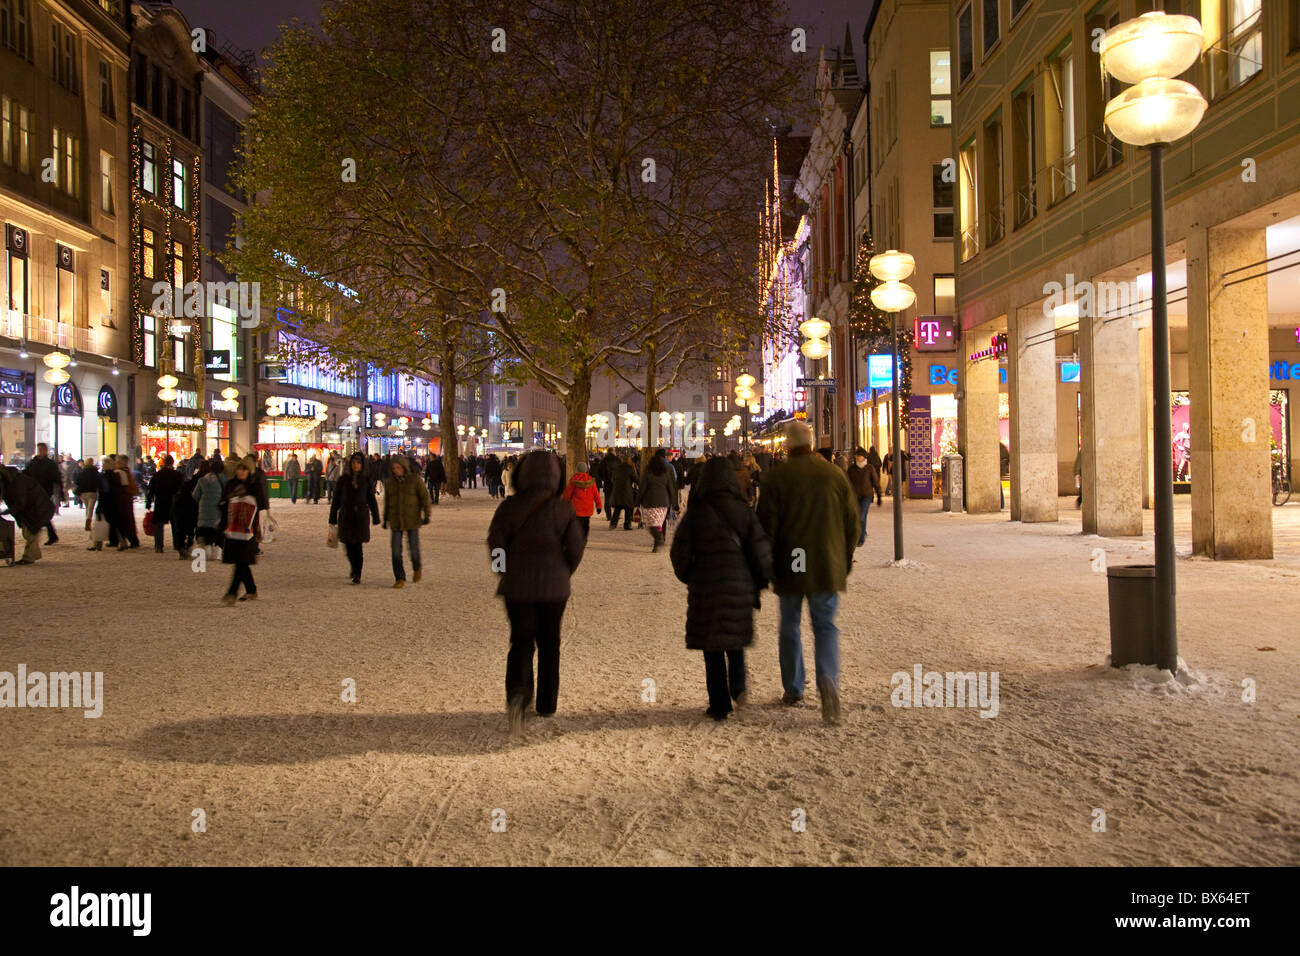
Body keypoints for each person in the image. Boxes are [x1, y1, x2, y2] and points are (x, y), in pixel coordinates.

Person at [756, 421, 858, 725]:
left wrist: (767, 562)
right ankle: (828, 679)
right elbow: (852, 522)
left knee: (790, 626)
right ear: (812, 444)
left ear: (787, 445)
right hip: (826, 561)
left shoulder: (778, 478)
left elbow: (766, 526)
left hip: (792, 562)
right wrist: (846, 555)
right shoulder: (833, 474)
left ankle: (794, 687)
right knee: (825, 625)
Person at [486, 451, 585, 736]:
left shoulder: (509, 508)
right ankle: (546, 703)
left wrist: (503, 571)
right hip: (554, 588)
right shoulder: (563, 509)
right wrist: (564, 571)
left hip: (517, 587)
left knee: (521, 641)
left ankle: (518, 693)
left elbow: (496, 546)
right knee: (550, 644)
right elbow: (576, 548)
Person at [670, 456, 773, 721]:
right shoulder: (744, 511)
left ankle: (719, 704)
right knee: (735, 640)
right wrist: (760, 580)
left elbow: (679, 552)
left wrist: (690, 576)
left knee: (712, 647)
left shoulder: (696, 513)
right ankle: (738, 687)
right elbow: (761, 551)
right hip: (738, 585)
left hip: (706, 587)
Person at [330, 452, 381, 584]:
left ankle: (357, 572)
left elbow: (371, 499)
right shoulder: (343, 479)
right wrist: (332, 518)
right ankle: (353, 566)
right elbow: (336, 499)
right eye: (353, 463)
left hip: (360, 516)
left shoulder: (365, 480)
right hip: (346, 516)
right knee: (347, 544)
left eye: (358, 463)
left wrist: (376, 516)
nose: (355, 465)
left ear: (362, 464)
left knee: (357, 545)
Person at [382, 454, 431, 588]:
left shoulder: (414, 480)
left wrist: (427, 515)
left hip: (412, 518)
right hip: (396, 519)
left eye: (398, 467)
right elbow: (388, 502)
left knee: (413, 549)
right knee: (395, 551)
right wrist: (385, 518)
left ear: (404, 467)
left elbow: (424, 497)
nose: (396, 470)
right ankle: (399, 577)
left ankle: (417, 567)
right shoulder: (390, 483)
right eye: (394, 468)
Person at [218, 459, 261, 605]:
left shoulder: (253, 486)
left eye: (244, 469)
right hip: (232, 528)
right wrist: (228, 499)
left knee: (240, 561)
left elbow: (259, 505)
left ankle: (232, 593)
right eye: (239, 469)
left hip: (247, 529)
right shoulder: (231, 484)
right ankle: (251, 589)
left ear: (249, 471)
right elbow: (222, 504)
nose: (241, 472)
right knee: (241, 561)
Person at [0, 464, 56, 564]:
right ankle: (33, 554)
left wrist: (6, 511)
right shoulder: (9, 480)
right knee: (29, 532)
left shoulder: (17, 482)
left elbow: (21, 502)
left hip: (37, 508)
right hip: (32, 508)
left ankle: (29, 557)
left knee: (30, 532)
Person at [638, 449, 678, 552]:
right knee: (659, 523)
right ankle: (658, 541)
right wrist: (673, 501)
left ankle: (658, 538)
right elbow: (670, 487)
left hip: (650, 501)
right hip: (664, 502)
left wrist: (638, 500)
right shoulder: (666, 472)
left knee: (650, 524)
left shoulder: (648, 472)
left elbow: (642, 487)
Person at [145, 454, 184, 554]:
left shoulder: (158, 474)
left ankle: (158, 546)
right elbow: (182, 489)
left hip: (160, 501)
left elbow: (151, 490)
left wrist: (148, 502)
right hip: (173, 501)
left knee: (159, 525)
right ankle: (177, 545)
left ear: (164, 463)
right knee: (175, 525)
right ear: (172, 463)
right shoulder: (177, 475)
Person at [23, 443, 61, 545]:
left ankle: (42, 533)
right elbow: (26, 473)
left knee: (40, 512)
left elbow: (57, 477)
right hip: (34, 490)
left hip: (44, 491)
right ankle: (50, 535)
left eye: (42, 449)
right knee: (39, 513)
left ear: (45, 450)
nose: (40, 451)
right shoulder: (33, 462)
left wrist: (60, 492)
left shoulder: (49, 464)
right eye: (39, 449)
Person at [847, 446, 880, 547]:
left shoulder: (869, 468)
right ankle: (862, 531)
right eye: (856, 455)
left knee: (861, 516)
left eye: (859, 455)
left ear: (864, 457)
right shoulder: (852, 468)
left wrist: (879, 495)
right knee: (858, 516)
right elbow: (847, 482)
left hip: (866, 495)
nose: (857, 457)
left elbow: (875, 482)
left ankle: (860, 539)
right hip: (855, 496)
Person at [193, 460, 226, 555]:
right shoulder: (224, 480)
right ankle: (217, 552)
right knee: (218, 534)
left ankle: (207, 549)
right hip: (218, 513)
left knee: (206, 535)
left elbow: (195, 496)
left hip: (203, 513)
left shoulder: (202, 480)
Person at [562, 466, 601, 540]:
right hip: (587, 508)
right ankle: (584, 538)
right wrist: (598, 506)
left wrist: (564, 504)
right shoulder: (591, 481)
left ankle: (577, 539)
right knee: (586, 524)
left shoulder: (573, 480)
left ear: (577, 470)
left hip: (576, 508)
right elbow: (596, 495)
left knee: (577, 525)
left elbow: (567, 495)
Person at [607, 454, 637, 530]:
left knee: (617, 508)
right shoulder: (630, 469)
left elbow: (612, 479)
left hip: (617, 491)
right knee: (627, 509)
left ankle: (613, 524)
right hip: (627, 491)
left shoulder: (617, 468)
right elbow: (635, 479)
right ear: (629, 461)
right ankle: (627, 525)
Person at [75, 458, 100, 532]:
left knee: (87, 508)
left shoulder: (82, 472)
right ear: (92, 463)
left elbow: (77, 481)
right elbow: (98, 482)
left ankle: (88, 521)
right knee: (90, 508)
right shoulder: (95, 472)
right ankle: (88, 522)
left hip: (83, 493)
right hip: (92, 492)